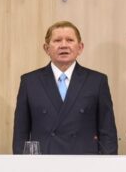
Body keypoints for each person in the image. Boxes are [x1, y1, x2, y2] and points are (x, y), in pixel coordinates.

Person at [12, 21, 118, 154]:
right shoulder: (29, 82)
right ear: (46, 48)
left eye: (70, 40)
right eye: (57, 40)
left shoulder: (97, 81)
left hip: (85, 161)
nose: (63, 45)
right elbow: (20, 134)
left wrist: (109, 163)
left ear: (80, 47)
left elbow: (107, 132)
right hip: (43, 161)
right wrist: (20, 163)